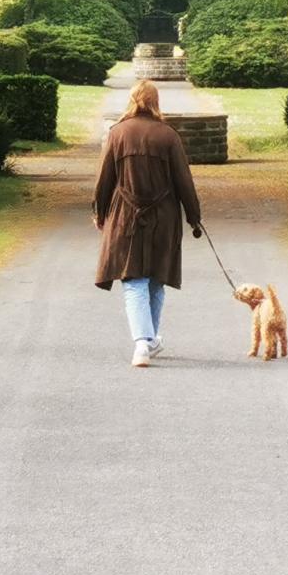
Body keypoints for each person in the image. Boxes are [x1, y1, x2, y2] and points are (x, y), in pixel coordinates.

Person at [93, 79, 204, 367]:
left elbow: (105, 178)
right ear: (155, 101)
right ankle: (148, 340)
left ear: (131, 100)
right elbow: (184, 181)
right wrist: (194, 217)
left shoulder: (117, 133)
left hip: (126, 215)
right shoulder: (168, 135)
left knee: (133, 279)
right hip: (163, 215)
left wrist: (99, 211)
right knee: (155, 279)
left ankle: (144, 343)